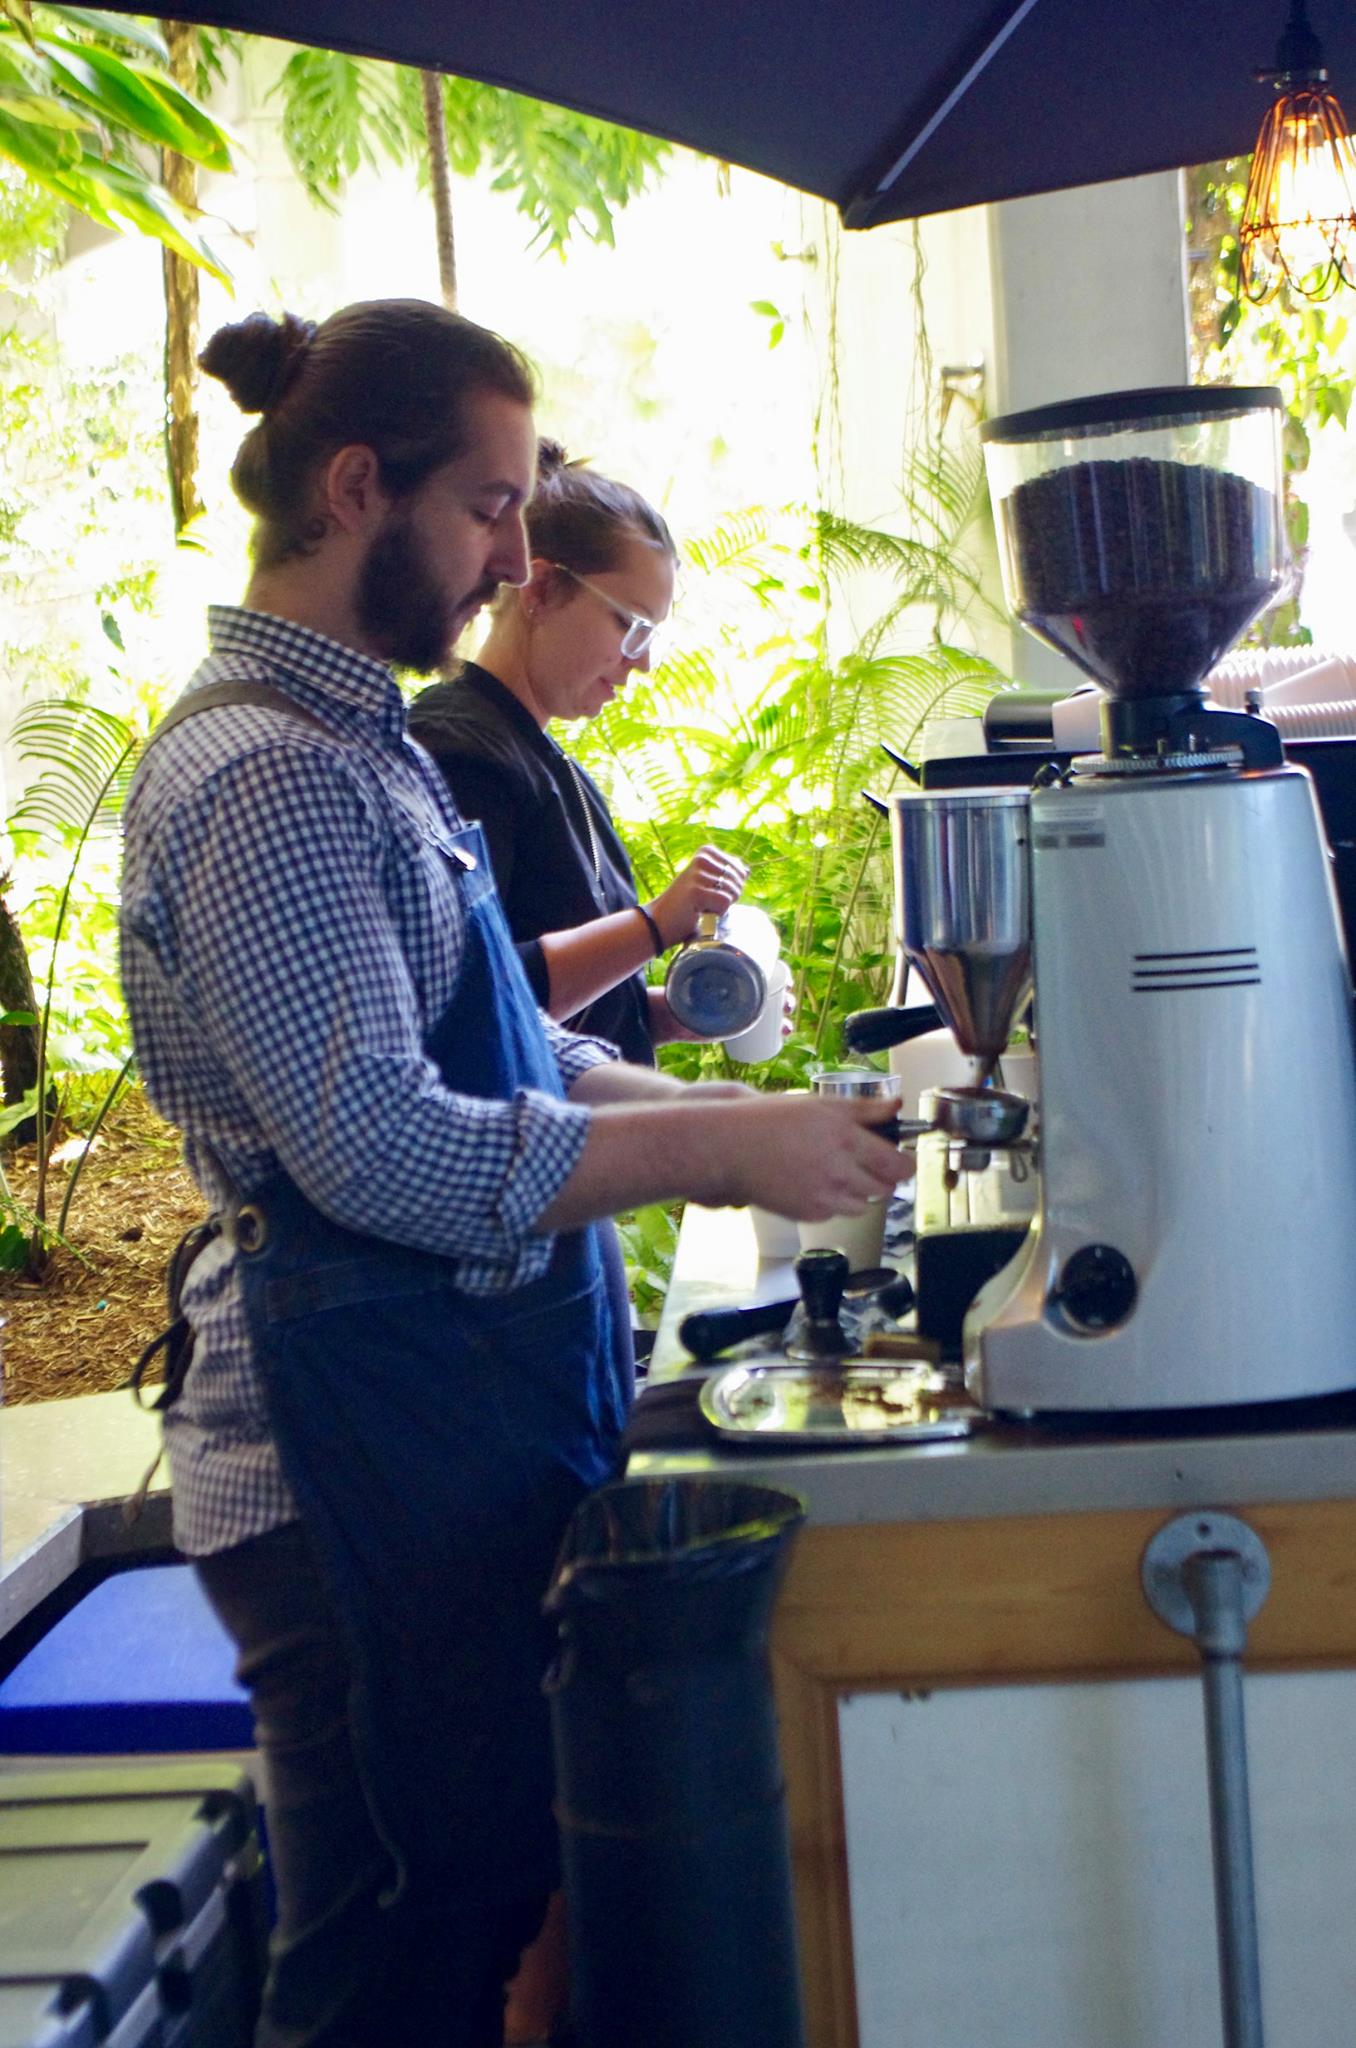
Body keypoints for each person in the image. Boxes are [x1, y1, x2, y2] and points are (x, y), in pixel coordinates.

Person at [119, 297, 900, 2048]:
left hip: (427, 1420)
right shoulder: (267, 778)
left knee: (460, 1928)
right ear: (354, 488)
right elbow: (384, 1146)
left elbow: (507, 1052)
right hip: (341, 1469)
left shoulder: (361, 744)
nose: (512, 561)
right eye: (489, 509)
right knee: (393, 1963)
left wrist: (742, 1123)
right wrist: (718, 1143)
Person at [408, 443, 747, 1067]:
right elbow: (471, 1001)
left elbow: (574, 1019)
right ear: (540, 590)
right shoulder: (458, 753)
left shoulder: (552, 765)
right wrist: (654, 924)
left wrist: (677, 1013)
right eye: (630, 625)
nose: (644, 662)